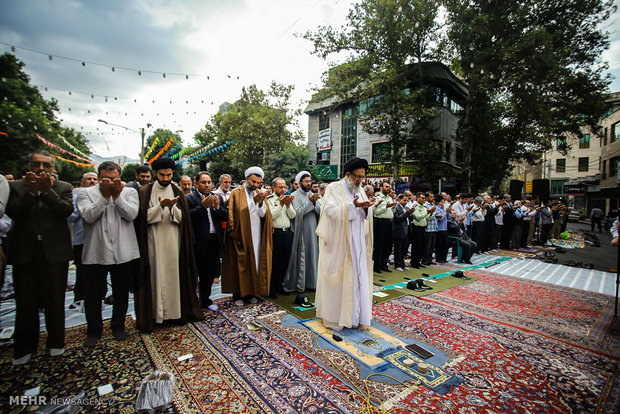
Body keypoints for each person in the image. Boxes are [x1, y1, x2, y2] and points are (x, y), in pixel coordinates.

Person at [7, 151, 73, 365]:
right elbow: (13, 213)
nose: (41, 169)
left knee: (55, 299)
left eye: (46, 165)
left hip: (54, 253)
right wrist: (31, 191)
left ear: (53, 168)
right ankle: (25, 347)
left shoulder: (63, 188)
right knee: (26, 302)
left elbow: (65, 211)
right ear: (29, 166)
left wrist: (46, 192)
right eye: (37, 165)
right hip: (25, 252)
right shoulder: (16, 187)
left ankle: (55, 343)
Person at [135, 157, 203, 333]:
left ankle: (176, 314)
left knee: (175, 276)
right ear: (155, 174)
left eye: (169, 175)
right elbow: (142, 220)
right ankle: (157, 316)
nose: (165, 179)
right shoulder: (145, 191)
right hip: (154, 241)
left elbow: (183, 219)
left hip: (174, 241)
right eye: (162, 175)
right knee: (156, 276)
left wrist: (172, 208)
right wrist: (160, 207)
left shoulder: (177, 190)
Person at [77, 162, 139, 347]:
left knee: (121, 292)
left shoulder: (129, 192)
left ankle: (118, 326)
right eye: (106, 178)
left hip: (123, 252)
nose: (110, 181)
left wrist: (117, 197)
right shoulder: (85, 193)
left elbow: (131, 214)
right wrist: (104, 197)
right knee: (93, 294)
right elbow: (88, 216)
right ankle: (94, 330)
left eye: (114, 178)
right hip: (96, 251)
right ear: (99, 176)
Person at [315, 157, 374, 331]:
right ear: (348, 174)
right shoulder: (334, 188)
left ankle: (356, 316)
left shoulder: (360, 190)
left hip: (358, 243)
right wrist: (352, 206)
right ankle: (337, 317)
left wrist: (364, 207)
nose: (359, 180)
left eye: (362, 177)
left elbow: (366, 215)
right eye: (357, 176)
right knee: (340, 278)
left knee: (358, 276)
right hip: (339, 243)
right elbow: (329, 212)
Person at [222, 167, 273, 305]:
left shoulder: (260, 193)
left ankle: (251, 293)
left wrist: (260, 202)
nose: (255, 185)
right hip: (241, 234)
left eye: (258, 182)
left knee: (255, 264)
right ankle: (238, 295)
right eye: (253, 181)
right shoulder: (236, 193)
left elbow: (264, 215)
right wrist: (254, 203)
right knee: (240, 264)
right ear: (246, 179)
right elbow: (236, 214)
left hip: (257, 235)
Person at [186, 172, 227, 311]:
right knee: (195, 272)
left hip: (214, 240)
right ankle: (192, 301)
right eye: (203, 182)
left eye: (209, 182)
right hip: (198, 242)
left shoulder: (218, 197)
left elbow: (225, 216)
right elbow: (188, 217)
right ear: (196, 183)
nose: (207, 185)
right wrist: (202, 207)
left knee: (209, 273)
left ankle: (206, 300)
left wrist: (216, 207)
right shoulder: (189, 198)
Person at [283, 171, 320, 300]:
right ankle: (300, 285)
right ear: (299, 183)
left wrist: (315, 203)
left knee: (313, 255)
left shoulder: (313, 195)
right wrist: (310, 204)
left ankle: (312, 283)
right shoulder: (294, 196)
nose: (309, 184)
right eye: (306, 181)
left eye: (310, 181)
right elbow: (297, 214)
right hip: (302, 232)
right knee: (303, 257)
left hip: (313, 230)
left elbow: (320, 211)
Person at [67, 172, 98, 311]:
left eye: (94, 179)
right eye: (89, 179)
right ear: (82, 182)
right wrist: (83, 209)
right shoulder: (76, 195)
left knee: (98, 272)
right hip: (81, 240)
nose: (92, 181)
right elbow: (70, 217)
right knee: (82, 271)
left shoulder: (102, 194)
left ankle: (99, 297)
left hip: (98, 240)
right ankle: (79, 298)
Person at [267, 177, 295, 297]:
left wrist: (287, 205)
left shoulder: (286, 199)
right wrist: (281, 205)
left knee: (284, 261)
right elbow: (271, 216)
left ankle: (280, 285)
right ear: (273, 188)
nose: (283, 189)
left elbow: (293, 215)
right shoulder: (269, 199)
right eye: (280, 187)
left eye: (284, 187)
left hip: (287, 233)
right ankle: (271, 288)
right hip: (276, 234)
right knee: (275, 261)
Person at [372, 181, 395, 273]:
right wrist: (386, 206)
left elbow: (392, 212)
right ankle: (377, 267)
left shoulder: (390, 198)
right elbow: (375, 212)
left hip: (390, 223)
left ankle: (384, 265)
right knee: (379, 245)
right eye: (386, 186)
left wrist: (393, 207)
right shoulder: (377, 198)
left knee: (388, 246)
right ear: (381, 187)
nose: (388, 188)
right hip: (381, 223)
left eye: (389, 186)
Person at [410, 192, 433, 269]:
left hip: (423, 228)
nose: (424, 200)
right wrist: (427, 212)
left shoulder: (424, 207)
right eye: (422, 198)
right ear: (417, 198)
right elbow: (418, 217)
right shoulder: (415, 206)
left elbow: (427, 219)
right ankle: (414, 262)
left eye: (424, 198)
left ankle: (418, 261)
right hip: (416, 228)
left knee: (422, 246)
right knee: (416, 246)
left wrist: (430, 214)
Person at [392, 194, 411, 271]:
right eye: (404, 200)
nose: (406, 202)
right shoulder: (396, 207)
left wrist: (410, 213)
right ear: (399, 200)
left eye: (407, 200)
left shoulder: (406, 208)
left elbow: (410, 218)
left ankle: (402, 264)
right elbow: (397, 219)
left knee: (404, 249)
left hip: (406, 230)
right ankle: (397, 265)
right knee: (398, 249)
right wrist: (406, 213)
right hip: (398, 230)